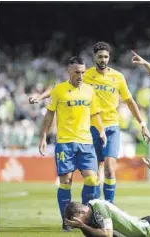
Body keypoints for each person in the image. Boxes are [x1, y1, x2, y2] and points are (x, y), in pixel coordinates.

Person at [31, 41, 150, 203]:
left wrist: (142, 124)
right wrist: (40, 97)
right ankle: (91, 208)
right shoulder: (85, 75)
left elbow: (130, 101)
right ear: (94, 57)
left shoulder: (118, 77)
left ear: (109, 58)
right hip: (91, 129)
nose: (103, 59)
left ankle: (109, 207)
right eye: (100, 56)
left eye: (106, 57)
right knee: (92, 175)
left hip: (111, 127)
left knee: (110, 168)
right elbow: (57, 87)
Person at [38, 57, 107, 231]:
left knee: (92, 179)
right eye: (77, 72)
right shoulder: (59, 91)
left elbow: (95, 114)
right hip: (65, 143)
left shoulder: (90, 91)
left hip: (86, 143)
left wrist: (102, 130)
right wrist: (43, 137)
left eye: (83, 72)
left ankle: (86, 218)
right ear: (69, 71)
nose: (81, 75)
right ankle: (66, 221)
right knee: (66, 181)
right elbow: (49, 115)